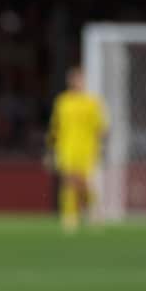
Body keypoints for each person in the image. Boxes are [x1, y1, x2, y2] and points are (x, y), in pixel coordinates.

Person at [46, 65, 108, 233]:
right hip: (66, 147)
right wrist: (50, 149)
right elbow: (55, 127)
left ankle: (93, 210)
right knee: (68, 180)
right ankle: (70, 216)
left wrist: (101, 146)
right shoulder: (63, 102)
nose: (77, 82)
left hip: (87, 148)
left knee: (83, 182)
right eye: (74, 79)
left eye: (79, 79)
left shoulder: (92, 103)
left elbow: (101, 128)